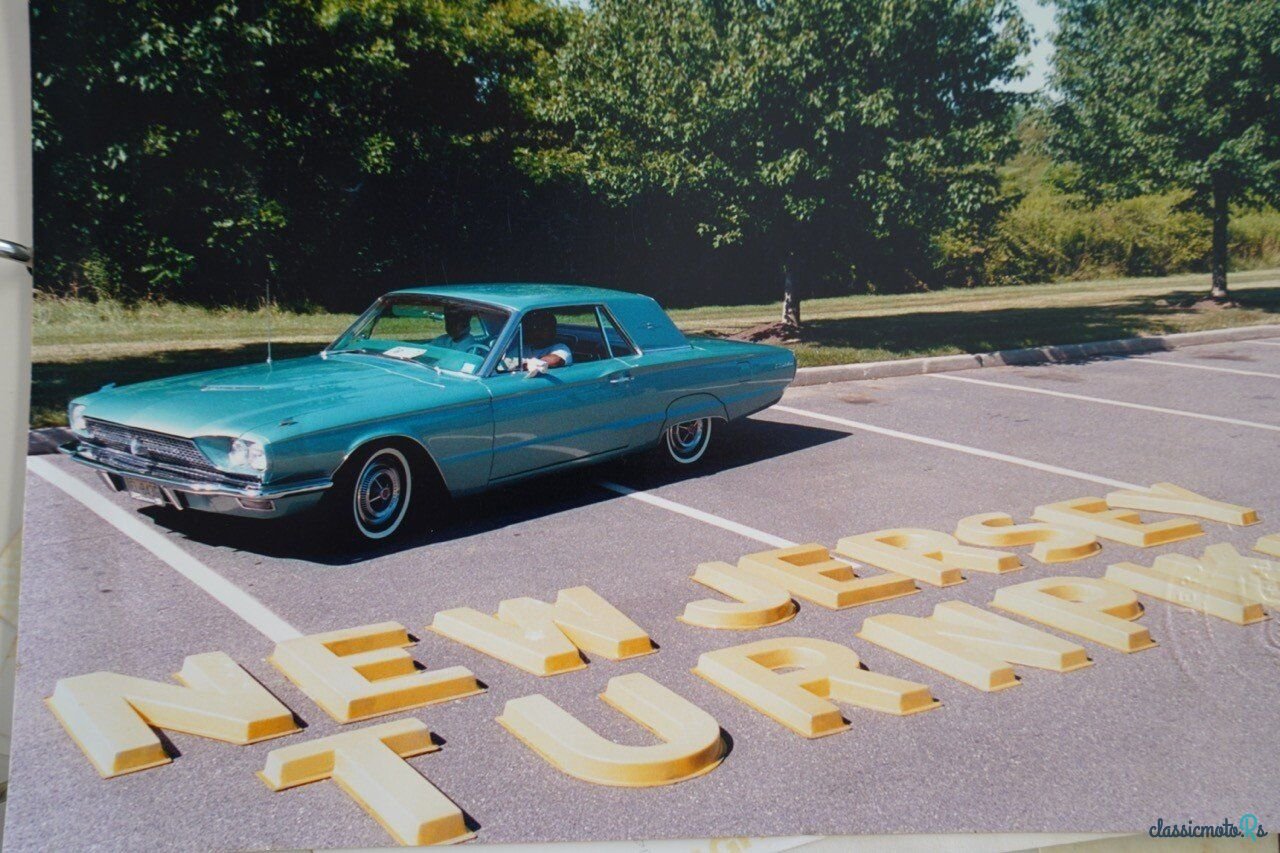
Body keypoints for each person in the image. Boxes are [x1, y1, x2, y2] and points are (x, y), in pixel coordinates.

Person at [515, 310, 572, 375]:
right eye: (535, 328)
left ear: (552, 331)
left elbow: (554, 360)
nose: (537, 332)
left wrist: (525, 365)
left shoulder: (561, 348)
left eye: (543, 329)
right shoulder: (523, 347)